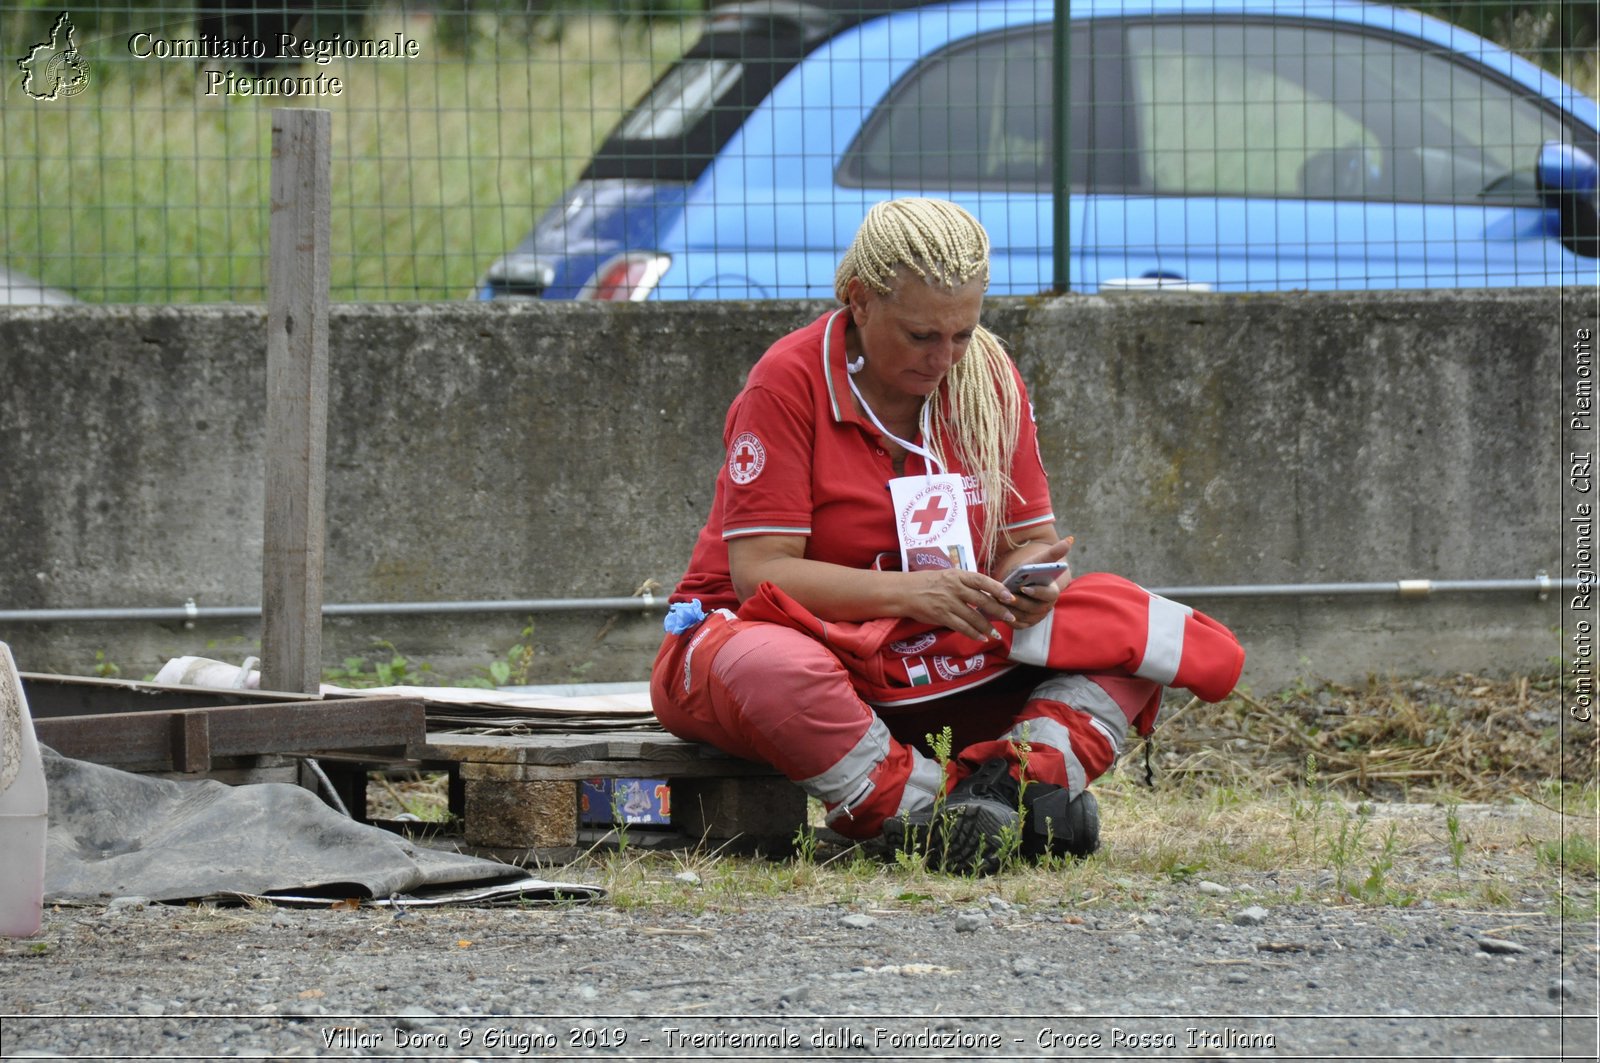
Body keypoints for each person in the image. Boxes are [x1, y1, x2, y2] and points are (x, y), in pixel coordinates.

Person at [650, 198, 1244, 872]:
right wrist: (911, 593)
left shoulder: (987, 376)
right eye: (921, 335)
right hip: (776, 645)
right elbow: (760, 572)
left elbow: (1029, 541)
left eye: (962, 333)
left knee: (1137, 629)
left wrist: (1032, 585)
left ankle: (1014, 789)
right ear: (859, 300)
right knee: (771, 665)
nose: (945, 357)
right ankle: (926, 811)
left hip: (934, 648)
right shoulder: (787, 381)